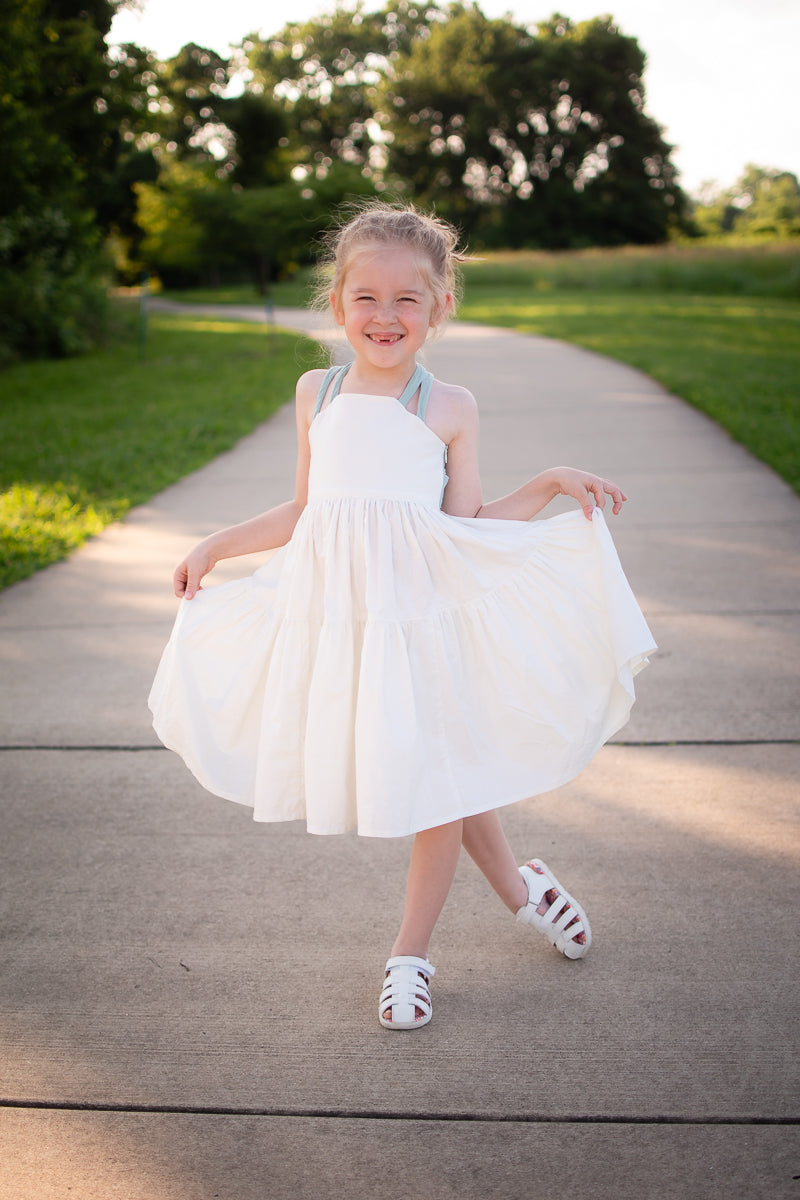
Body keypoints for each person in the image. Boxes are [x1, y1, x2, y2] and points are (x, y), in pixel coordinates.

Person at [149, 202, 656, 1031]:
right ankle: (525, 890)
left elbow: (468, 525)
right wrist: (217, 545)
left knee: (432, 789)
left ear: (440, 306)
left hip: (420, 620)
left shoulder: (447, 406)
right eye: (366, 298)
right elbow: (305, 510)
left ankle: (408, 957)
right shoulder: (318, 392)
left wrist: (549, 483)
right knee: (448, 772)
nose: (385, 316)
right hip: (348, 625)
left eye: (406, 300)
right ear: (337, 303)